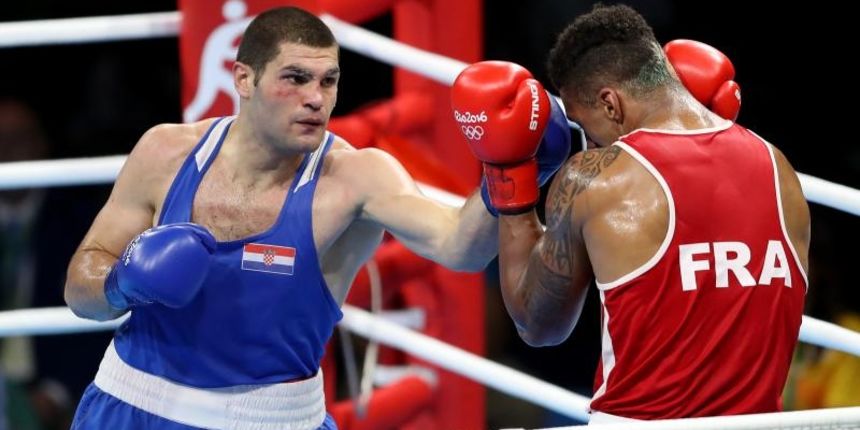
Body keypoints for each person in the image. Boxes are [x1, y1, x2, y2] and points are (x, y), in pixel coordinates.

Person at [63, 6, 570, 430]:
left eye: (329, 81)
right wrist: (120, 282)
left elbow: (461, 247)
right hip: (130, 404)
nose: (316, 98)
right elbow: (79, 291)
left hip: (269, 419)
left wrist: (511, 167)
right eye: (296, 78)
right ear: (244, 78)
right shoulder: (166, 152)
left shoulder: (354, 177)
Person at [452, 4, 809, 422]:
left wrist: (510, 175)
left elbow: (538, 325)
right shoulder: (778, 169)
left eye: (587, 128)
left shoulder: (596, 180)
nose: (591, 145)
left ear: (610, 104)